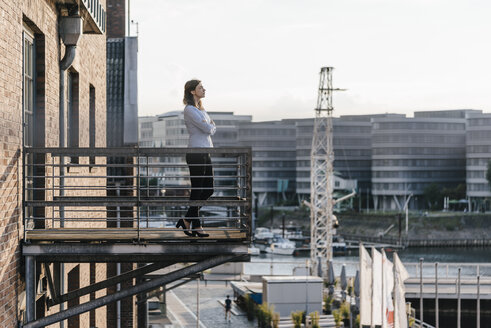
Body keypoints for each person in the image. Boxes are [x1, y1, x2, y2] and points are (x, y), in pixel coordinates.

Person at [175, 79, 215, 238]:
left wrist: (210, 125)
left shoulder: (201, 110)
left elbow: (211, 127)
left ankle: (187, 219)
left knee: (209, 189)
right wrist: (210, 125)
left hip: (206, 152)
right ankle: (196, 224)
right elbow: (208, 127)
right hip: (196, 152)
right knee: (198, 189)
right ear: (192, 91)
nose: (204, 89)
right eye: (200, 87)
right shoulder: (190, 110)